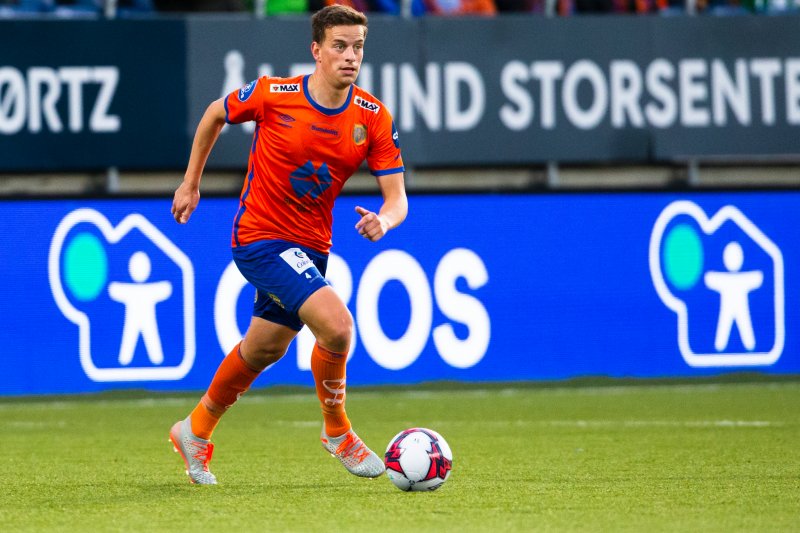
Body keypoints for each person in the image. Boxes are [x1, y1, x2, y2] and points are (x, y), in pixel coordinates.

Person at [169, 4, 407, 485]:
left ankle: (194, 430)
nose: (350, 56)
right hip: (259, 237)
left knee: (262, 348)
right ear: (316, 50)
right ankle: (338, 432)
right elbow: (216, 114)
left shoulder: (372, 117)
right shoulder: (276, 94)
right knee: (337, 327)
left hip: (310, 247)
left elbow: (398, 200)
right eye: (339, 46)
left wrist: (385, 221)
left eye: (358, 47)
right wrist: (191, 183)